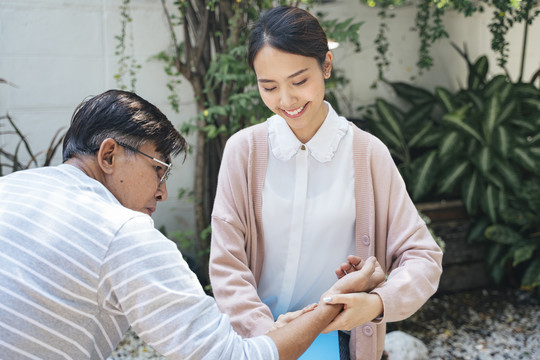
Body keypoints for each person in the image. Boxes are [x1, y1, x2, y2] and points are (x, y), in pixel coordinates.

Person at [0, 89, 385, 360]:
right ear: (109, 155)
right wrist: (332, 304)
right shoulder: (122, 233)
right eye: (158, 170)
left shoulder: (11, 188)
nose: (163, 192)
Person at [208, 5, 444, 360]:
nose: (286, 100)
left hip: (342, 346)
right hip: (258, 342)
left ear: (326, 66)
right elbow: (226, 265)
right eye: (268, 86)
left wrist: (376, 303)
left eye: (299, 81)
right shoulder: (244, 151)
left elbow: (423, 256)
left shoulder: (367, 154)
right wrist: (268, 334)